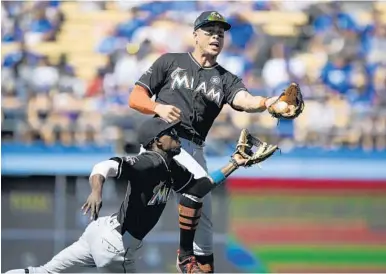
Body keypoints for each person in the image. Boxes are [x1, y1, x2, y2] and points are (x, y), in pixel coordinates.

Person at [5, 117, 273, 274]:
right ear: (157, 140)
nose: (176, 135)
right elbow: (103, 166)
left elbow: (198, 189)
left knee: (45, 272)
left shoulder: (173, 168)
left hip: (102, 232)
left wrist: (235, 163)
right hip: (117, 246)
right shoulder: (150, 161)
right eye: (170, 133)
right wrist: (96, 191)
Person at [128, 10, 288, 272]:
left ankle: (201, 267)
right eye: (209, 31)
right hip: (164, 142)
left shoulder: (225, 79)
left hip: (194, 148)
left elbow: (243, 101)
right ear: (195, 35)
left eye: (221, 33)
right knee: (195, 188)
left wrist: (268, 103)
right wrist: (157, 108)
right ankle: (184, 255)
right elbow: (136, 97)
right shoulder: (170, 61)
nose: (216, 36)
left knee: (205, 222)